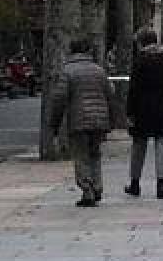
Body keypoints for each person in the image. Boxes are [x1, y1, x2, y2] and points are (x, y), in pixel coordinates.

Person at [48, 37, 117, 207]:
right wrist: (112, 120)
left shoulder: (67, 71)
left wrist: (54, 124)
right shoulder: (99, 70)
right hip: (100, 120)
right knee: (95, 153)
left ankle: (87, 190)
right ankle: (98, 186)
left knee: (81, 155)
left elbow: (59, 99)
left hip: (78, 120)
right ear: (88, 51)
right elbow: (110, 95)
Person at [124, 28, 163, 200]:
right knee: (162, 145)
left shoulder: (140, 61)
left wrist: (130, 111)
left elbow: (134, 89)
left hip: (143, 108)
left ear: (141, 42)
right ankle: (161, 183)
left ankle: (135, 182)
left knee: (139, 146)